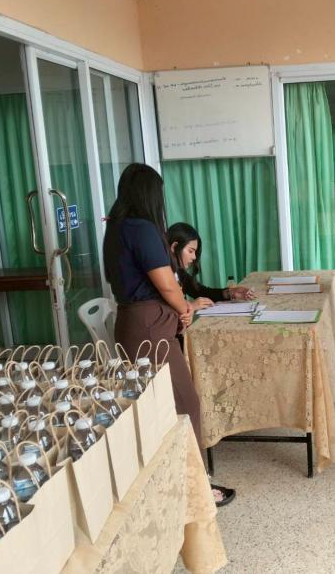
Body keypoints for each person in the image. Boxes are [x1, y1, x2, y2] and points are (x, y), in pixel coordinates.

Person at [102, 163, 235, 507]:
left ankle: (172, 484)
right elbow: (165, 283)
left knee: (156, 408)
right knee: (185, 402)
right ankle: (197, 488)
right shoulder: (142, 228)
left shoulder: (115, 228)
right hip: (150, 325)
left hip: (131, 322)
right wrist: (184, 308)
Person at [166, 222, 255, 311]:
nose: (194, 257)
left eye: (195, 252)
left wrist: (230, 293)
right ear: (174, 247)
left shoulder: (179, 273)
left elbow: (200, 292)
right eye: (190, 251)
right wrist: (191, 307)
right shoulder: (162, 277)